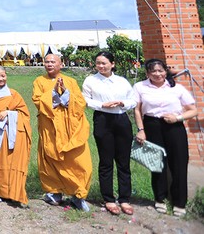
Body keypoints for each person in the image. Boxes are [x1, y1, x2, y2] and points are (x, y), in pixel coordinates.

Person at [133, 58, 197, 217]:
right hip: (151, 125)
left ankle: (179, 203)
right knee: (157, 164)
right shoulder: (140, 87)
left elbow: (193, 110)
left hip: (174, 126)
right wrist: (141, 129)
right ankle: (160, 199)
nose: (157, 74)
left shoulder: (177, 88)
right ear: (147, 73)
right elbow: (137, 110)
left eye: (160, 71)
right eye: (153, 71)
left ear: (165, 71)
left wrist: (178, 118)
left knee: (179, 164)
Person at [32, 53, 92, 211]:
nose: (49, 64)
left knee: (78, 161)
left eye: (53, 61)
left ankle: (78, 195)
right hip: (49, 127)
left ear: (61, 64)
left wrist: (66, 93)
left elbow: (80, 103)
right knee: (50, 158)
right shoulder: (39, 81)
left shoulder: (71, 81)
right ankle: (54, 192)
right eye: (47, 61)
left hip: (69, 128)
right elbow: (38, 101)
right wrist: (54, 94)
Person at [81, 51, 136, 216]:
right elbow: (85, 99)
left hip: (122, 120)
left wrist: (122, 103)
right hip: (103, 120)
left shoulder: (121, 81)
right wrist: (102, 105)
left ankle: (124, 198)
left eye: (104, 63)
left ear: (113, 64)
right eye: (98, 63)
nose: (101, 66)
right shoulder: (91, 80)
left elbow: (133, 99)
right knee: (106, 161)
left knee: (123, 162)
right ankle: (109, 198)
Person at [0, 66, 32, 207]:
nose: (1, 79)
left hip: (14, 133)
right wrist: (1, 120)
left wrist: (8, 114)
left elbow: (25, 114)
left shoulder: (14, 94)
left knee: (13, 163)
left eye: (3, 76)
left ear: (6, 75)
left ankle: (15, 193)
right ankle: (1, 193)